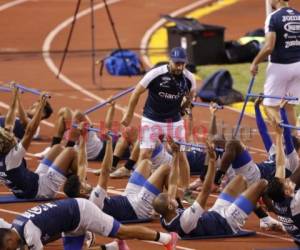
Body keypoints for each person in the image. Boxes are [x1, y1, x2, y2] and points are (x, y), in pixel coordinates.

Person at [152, 140, 268, 238]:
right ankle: (269, 216)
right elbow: (205, 191)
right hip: (226, 222)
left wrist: (176, 154)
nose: (172, 197)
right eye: (170, 199)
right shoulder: (186, 221)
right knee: (262, 184)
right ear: (170, 206)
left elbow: (172, 182)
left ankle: (256, 210)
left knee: (240, 179)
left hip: (215, 213)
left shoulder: (165, 216)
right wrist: (212, 161)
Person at [121, 47, 196, 170]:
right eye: (177, 63)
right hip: (151, 119)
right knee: (145, 153)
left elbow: (190, 97)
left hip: (174, 121)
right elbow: (136, 93)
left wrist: (184, 107)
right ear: (169, 60)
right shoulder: (155, 74)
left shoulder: (189, 78)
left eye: (182, 64)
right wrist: (129, 114)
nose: (179, 67)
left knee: (181, 155)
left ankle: (184, 187)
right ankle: (138, 184)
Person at [0, 198, 178, 250]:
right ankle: (114, 248)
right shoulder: (17, 225)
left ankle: (167, 238)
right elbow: (52, 232)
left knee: (122, 231)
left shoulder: (29, 233)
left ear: (9, 241)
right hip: (69, 224)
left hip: (82, 211)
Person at [250, 0, 300, 134]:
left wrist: (255, 62)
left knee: (269, 107)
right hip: (298, 65)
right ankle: (295, 143)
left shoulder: (273, 17)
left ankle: (282, 141)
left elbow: (269, 47)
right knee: (289, 106)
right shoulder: (298, 15)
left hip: (280, 66)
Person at [264, 118, 300, 246]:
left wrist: (278, 135)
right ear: (286, 192)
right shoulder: (295, 203)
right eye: (285, 183)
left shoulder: (276, 198)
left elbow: (280, 164)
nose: (287, 180)